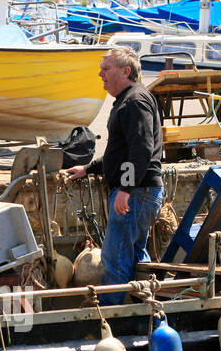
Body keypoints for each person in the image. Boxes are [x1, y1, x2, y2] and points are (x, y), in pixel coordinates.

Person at [64, 46, 164, 305]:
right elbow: (121, 151)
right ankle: (145, 316)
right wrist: (89, 168)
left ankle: (111, 323)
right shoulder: (132, 99)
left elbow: (141, 149)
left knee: (116, 262)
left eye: (106, 69)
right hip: (142, 192)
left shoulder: (134, 102)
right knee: (134, 261)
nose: (100, 74)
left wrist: (126, 189)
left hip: (136, 194)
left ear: (125, 71)